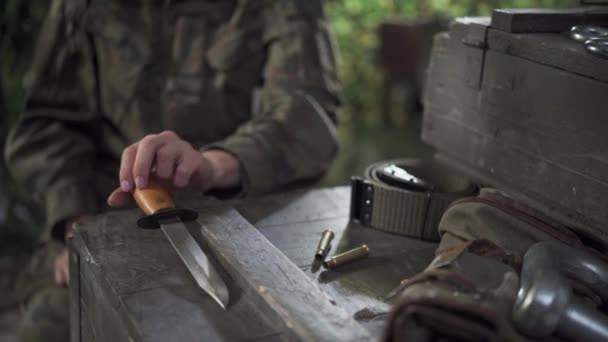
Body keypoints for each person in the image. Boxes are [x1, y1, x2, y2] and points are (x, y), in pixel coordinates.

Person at [4, 0, 341, 340]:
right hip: (101, 215)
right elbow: (47, 122)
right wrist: (76, 222)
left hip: (238, 224)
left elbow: (308, 112)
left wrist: (213, 166)